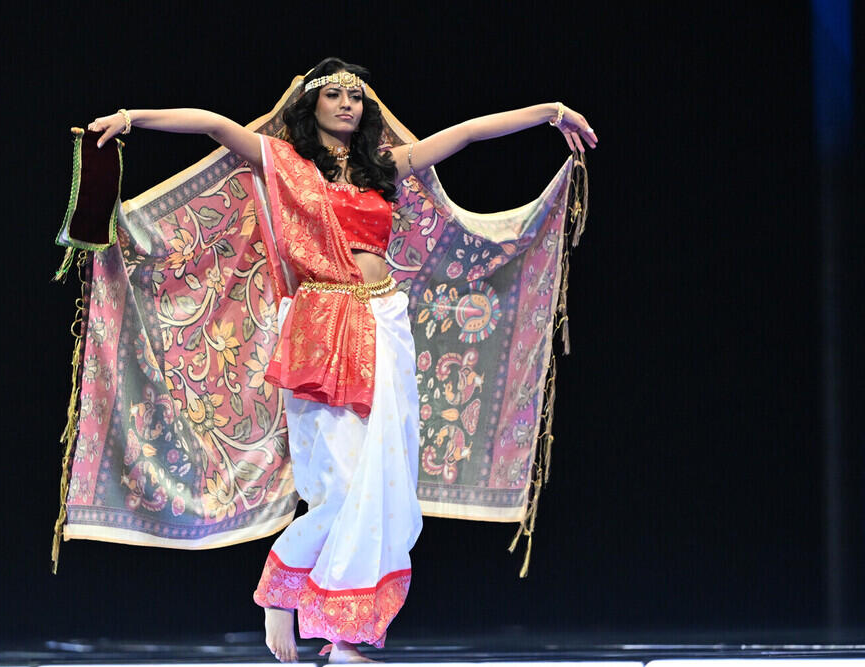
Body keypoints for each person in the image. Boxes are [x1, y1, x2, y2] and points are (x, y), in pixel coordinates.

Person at [86, 57, 597, 663]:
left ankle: (346, 635)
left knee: (387, 485)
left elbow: (462, 135)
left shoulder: (386, 167)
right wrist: (131, 117)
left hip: (385, 322)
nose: (347, 105)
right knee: (344, 482)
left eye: (355, 97)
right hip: (320, 326)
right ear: (312, 106)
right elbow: (213, 125)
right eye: (333, 95)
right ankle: (286, 594)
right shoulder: (287, 164)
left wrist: (551, 112)